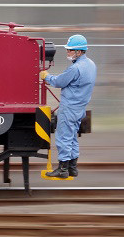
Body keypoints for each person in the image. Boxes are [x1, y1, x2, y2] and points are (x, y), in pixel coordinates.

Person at [39, 34, 97, 178]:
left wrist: (46, 76)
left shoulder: (75, 68)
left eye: (70, 50)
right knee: (72, 137)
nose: (68, 52)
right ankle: (72, 168)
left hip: (69, 107)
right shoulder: (91, 64)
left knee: (63, 137)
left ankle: (63, 169)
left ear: (79, 51)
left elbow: (60, 81)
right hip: (80, 107)